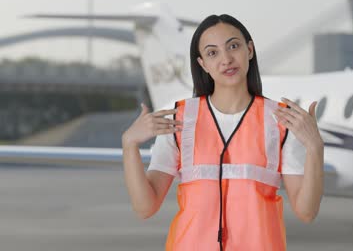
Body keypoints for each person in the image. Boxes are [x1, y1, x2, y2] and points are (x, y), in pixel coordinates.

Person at [121, 14, 324, 251]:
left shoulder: (280, 121)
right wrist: (129, 145)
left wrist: (315, 148)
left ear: (249, 50)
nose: (226, 59)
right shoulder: (180, 120)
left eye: (233, 46)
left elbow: (306, 212)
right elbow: (145, 207)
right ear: (202, 64)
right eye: (212, 53)